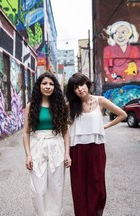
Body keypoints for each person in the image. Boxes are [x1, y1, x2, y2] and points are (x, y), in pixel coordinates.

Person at [66, 72, 127, 216]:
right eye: (75, 87)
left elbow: (122, 115)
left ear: (87, 84)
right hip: (77, 149)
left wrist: (104, 126)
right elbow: (61, 126)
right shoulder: (70, 105)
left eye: (81, 85)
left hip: (96, 148)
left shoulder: (100, 101)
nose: (80, 89)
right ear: (73, 90)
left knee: (97, 185)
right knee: (79, 186)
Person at [23, 72, 71, 216]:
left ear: (55, 87)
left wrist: (67, 153)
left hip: (57, 145)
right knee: (38, 188)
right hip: (37, 145)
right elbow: (25, 132)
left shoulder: (60, 106)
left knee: (56, 187)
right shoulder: (31, 106)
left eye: (51, 84)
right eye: (44, 83)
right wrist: (28, 155)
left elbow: (65, 132)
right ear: (39, 86)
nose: (48, 87)